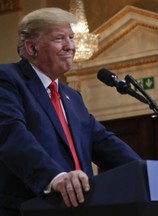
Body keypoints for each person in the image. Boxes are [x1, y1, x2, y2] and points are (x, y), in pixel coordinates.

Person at [0, 7, 142, 216]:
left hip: (78, 207)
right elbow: (11, 134)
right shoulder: (8, 79)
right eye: (59, 39)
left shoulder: (72, 96)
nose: (71, 46)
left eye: (72, 38)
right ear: (32, 48)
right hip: (30, 207)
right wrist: (55, 177)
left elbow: (102, 140)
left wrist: (145, 171)